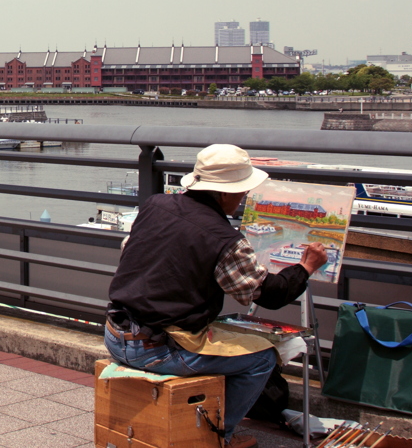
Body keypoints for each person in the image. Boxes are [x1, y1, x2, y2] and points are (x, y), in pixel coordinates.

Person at [104, 144, 328, 448]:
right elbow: (269, 294)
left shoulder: (155, 205)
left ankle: (204, 418)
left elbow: (131, 251)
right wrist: (306, 266)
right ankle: (219, 436)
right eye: (241, 191)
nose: (243, 198)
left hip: (115, 333)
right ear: (224, 193)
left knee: (226, 332)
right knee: (262, 358)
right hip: (156, 349)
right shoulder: (223, 239)